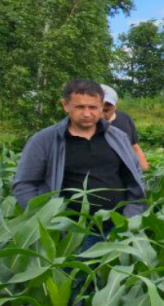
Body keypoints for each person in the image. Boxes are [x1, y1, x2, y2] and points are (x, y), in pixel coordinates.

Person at [12, 79, 147, 249]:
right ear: (65, 105)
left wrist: (131, 219)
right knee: (75, 275)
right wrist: (49, 221)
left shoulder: (118, 137)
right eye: (80, 107)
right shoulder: (44, 141)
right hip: (71, 235)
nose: (87, 114)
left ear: (101, 106)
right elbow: (24, 185)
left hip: (118, 229)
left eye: (93, 107)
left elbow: (134, 177)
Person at [101, 85, 149, 171]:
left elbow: (135, 148)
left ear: (116, 105)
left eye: (106, 110)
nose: (101, 115)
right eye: (97, 109)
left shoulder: (124, 118)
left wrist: (146, 173)